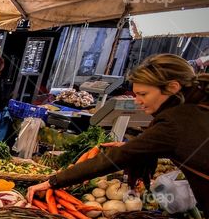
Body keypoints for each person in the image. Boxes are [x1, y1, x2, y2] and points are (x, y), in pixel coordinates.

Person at [28, 53, 209, 209]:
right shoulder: (198, 107)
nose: (137, 101)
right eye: (136, 94)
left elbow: (116, 158)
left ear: (172, 87)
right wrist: (138, 145)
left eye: (143, 94)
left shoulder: (176, 120)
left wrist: (54, 181)